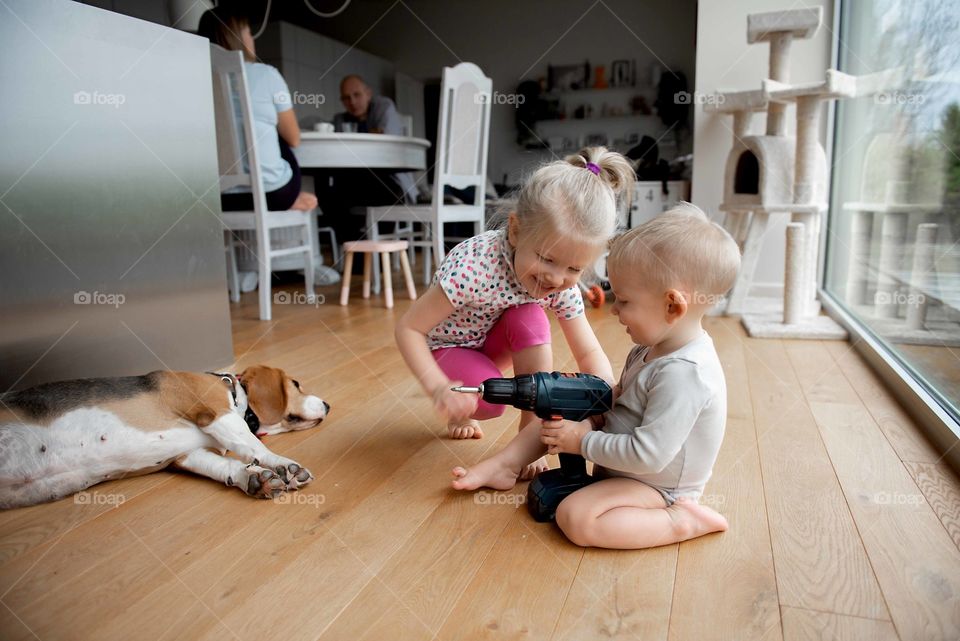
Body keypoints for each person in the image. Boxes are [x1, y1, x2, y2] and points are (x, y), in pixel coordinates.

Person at [450, 204, 741, 550]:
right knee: (559, 409)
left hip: (655, 486)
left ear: (672, 306)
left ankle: (681, 520)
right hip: (620, 466)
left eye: (625, 301)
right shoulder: (651, 348)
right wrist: (586, 416)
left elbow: (649, 456)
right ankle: (504, 466)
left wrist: (582, 441)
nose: (614, 309)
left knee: (577, 517)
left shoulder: (685, 374)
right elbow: (622, 401)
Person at [395, 147, 635, 478]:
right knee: (489, 401)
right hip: (448, 347)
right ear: (515, 230)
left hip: (492, 344)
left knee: (530, 314)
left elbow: (588, 352)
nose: (556, 278)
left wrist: (608, 396)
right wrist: (438, 387)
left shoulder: (561, 284)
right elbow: (409, 329)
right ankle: (462, 403)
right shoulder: (474, 267)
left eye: (573, 268)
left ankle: (528, 432)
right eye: (547, 259)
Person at [198, 7, 318, 291]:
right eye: (249, 32)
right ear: (236, 36)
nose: (252, 38)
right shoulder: (267, 74)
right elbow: (294, 138)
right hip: (272, 193)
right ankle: (292, 199)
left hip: (219, 197)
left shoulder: (194, 80)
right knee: (280, 139)